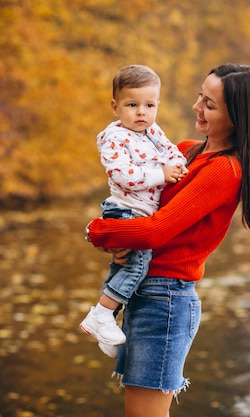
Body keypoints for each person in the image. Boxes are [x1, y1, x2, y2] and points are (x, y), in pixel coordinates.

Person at [84, 63, 250, 417]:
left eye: (209, 104)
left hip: (165, 299)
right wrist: (116, 241)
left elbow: (155, 231)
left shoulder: (224, 170)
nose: (197, 107)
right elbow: (134, 205)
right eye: (200, 96)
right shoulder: (185, 152)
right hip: (141, 289)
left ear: (236, 118)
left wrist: (96, 231)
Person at [80, 64, 188, 353]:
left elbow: (171, 150)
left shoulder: (152, 131)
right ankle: (101, 314)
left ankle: (107, 324)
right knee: (139, 263)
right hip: (125, 210)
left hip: (142, 211)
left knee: (124, 265)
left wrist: (178, 165)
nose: (141, 112)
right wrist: (161, 175)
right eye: (132, 105)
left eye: (149, 105)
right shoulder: (113, 138)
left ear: (157, 105)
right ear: (115, 107)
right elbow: (123, 175)